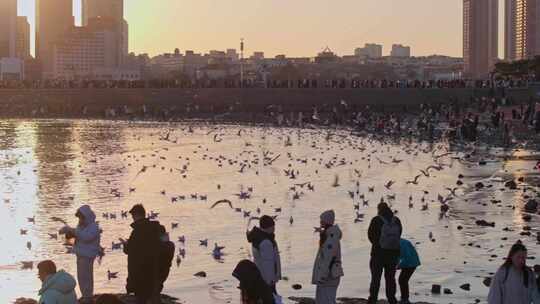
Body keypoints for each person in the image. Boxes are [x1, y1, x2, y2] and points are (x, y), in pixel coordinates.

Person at [59, 205, 101, 304]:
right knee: (81, 277)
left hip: (87, 256)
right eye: (79, 218)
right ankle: (85, 296)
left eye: (81, 217)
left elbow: (86, 237)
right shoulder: (82, 226)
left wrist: (72, 230)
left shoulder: (94, 227)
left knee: (86, 277)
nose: (80, 220)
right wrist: (68, 232)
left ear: (86, 217)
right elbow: (78, 236)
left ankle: (88, 297)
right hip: (81, 254)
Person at [122, 204, 162, 304]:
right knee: (151, 295)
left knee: (141, 298)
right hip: (154, 269)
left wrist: (126, 244)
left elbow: (129, 250)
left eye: (133, 217)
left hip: (139, 272)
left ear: (136, 215)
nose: (133, 219)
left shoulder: (137, 232)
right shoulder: (155, 229)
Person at [367, 203, 402, 304]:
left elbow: (370, 236)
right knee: (390, 278)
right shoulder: (396, 220)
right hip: (393, 254)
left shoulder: (376, 220)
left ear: (379, 209)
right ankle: (392, 299)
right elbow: (399, 234)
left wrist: (378, 244)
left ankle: (373, 299)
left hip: (378, 254)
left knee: (375, 278)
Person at [312, 210, 343, 304]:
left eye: (322, 221)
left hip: (329, 277)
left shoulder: (331, 237)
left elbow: (328, 259)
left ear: (327, 221)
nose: (320, 223)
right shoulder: (328, 235)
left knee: (326, 300)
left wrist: (322, 276)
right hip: (328, 276)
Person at [247, 215, 282, 294]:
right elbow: (268, 263)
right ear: (268, 227)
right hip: (267, 279)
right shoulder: (266, 242)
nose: (274, 228)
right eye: (273, 226)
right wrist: (271, 280)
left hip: (259, 275)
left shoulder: (257, 236)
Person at [155, 225, 175, 304]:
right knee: (157, 288)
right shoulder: (170, 244)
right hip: (165, 270)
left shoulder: (164, 245)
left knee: (155, 289)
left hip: (161, 271)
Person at [398, 238, 421, 304]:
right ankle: (404, 299)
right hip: (409, 262)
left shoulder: (402, 243)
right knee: (403, 280)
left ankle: (405, 299)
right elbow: (398, 256)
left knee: (402, 280)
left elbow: (407, 256)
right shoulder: (399, 242)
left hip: (412, 263)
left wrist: (399, 266)